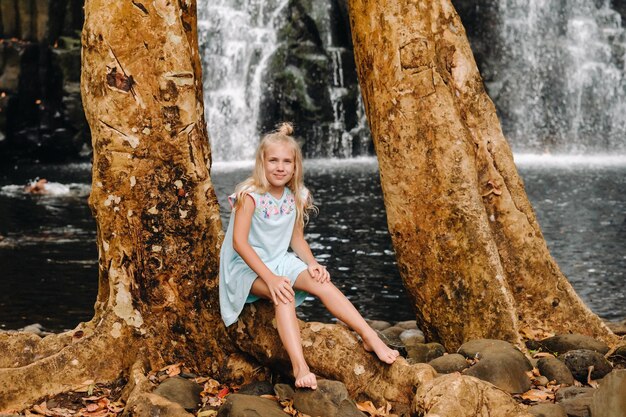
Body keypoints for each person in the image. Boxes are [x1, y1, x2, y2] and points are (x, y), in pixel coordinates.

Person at [219, 123, 399, 390]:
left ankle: (369, 336)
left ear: (295, 166)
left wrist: (313, 263)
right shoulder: (249, 196)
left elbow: (296, 239)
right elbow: (239, 243)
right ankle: (299, 365)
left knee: (322, 283)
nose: (280, 167)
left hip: (278, 259)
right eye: (273, 161)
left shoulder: (297, 196)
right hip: (245, 267)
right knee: (283, 293)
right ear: (262, 163)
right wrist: (270, 279)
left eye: (286, 162)